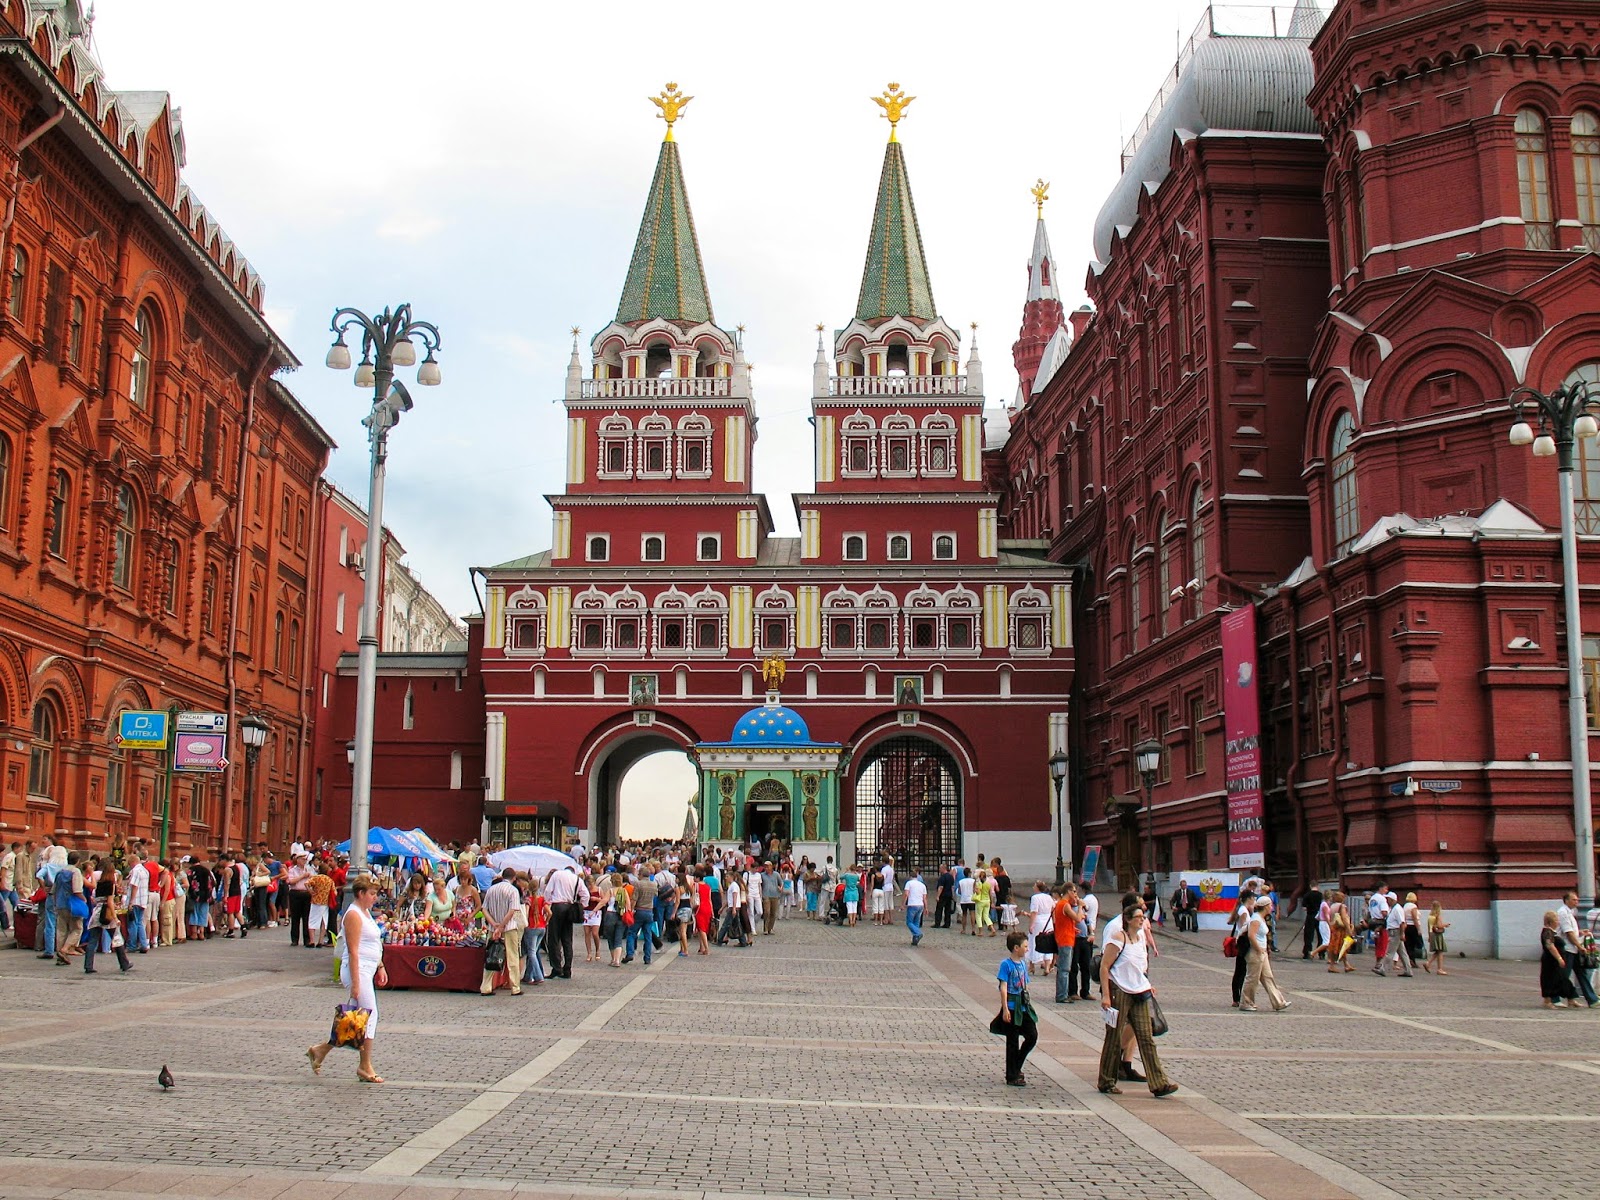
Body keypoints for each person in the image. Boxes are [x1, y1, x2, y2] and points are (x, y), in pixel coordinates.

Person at [307, 874, 388, 1082]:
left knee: (352, 1019)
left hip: (367, 968)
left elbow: (372, 944)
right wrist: (356, 983)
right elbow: (353, 951)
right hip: (357, 969)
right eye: (371, 894)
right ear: (360, 894)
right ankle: (365, 1065)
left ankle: (321, 1050)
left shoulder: (365, 912)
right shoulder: (353, 915)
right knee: (370, 1016)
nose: (374, 898)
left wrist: (380, 965)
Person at [1097, 906, 1177, 1097]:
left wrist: (1147, 984)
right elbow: (1104, 966)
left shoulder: (1140, 939)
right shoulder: (1118, 938)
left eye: (1143, 917)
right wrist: (1106, 995)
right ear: (1128, 919)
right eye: (1138, 917)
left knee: (1146, 1037)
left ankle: (1159, 1083)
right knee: (1114, 1037)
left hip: (1139, 992)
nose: (1142, 920)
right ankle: (1106, 1081)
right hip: (1120, 990)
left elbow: (1140, 968)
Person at [995, 932, 1037, 1087]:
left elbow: (1025, 984)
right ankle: (1011, 1075)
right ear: (1015, 948)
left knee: (1032, 1035)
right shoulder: (1006, 965)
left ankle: (1016, 1065)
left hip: (1023, 1006)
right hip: (1012, 1006)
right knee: (1012, 1042)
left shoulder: (1023, 964)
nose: (1027, 949)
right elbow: (1003, 986)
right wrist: (1005, 1008)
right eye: (1025, 946)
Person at [1239, 895, 1290, 1012]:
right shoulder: (1256, 919)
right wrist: (1258, 949)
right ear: (1265, 906)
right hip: (1255, 952)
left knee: (1268, 977)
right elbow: (1251, 935)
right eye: (1270, 905)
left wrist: (1265, 949)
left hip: (1262, 952)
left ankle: (1278, 1002)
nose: (1272, 907)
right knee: (1252, 978)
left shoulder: (1261, 918)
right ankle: (1246, 1002)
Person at [480, 870, 525, 996]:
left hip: (492, 928)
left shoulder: (491, 889)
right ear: (514, 878)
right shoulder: (512, 890)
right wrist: (501, 926)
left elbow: (484, 909)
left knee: (491, 955)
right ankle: (515, 987)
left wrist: (494, 924)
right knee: (512, 957)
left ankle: (485, 986)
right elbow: (512, 911)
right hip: (509, 927)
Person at [542, 864, 587, 979]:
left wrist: (547, 903)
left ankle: (556, 967)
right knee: (567, 939)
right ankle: (567, 968)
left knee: (553, 938)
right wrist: (581, 906)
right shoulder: (577, 879)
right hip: (569, 907)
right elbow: (585, 895)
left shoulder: (557, 874)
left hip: (557, 906)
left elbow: (548, 891)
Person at [1556, 891, 1598, 1007]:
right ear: (1567, 900)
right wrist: (1580, 947)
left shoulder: (1570, 912)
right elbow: (1568, 933)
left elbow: (1572, 931)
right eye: (1574, 900)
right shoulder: (1563, 913)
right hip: (1567, 948)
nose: (1577, 902)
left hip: (1573, 948)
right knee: (1564, 974)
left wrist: (1580, 932)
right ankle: (1555, 997)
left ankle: (1591, 999)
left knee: (1581, 973)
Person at [1540, 910, 1581, 1009]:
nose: (1558, 922)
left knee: (1563, 979)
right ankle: (1547, 1001)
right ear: (1550, 922)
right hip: (1551, 961)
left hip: (1555, 962)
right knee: (1550, 980)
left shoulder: (1551, 932)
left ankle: (1571, 999)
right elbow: (1550, 946)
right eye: (1556, 920)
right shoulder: (1547, 932)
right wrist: (1559, 958)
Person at [1053, 885, 1082, 1003]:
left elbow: (1063, 922)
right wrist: (1080, 906)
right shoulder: (1065, 904)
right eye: (1074, 891)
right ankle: (1062, 995)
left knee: (1063, 969)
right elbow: (1078, 918)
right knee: (1064, 969)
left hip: (1064, 937)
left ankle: (1062, 993)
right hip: (1066, 940)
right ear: (1068, 891)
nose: (1075, 894)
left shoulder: (1060, 904)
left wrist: (1072, 928)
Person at [1326, 891, 1356, 973]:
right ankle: (1332, 966)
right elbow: (1344, 918)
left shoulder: (1332, 906)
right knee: (1341, 946)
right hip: (1340, 929)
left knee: (1335, 946)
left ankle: (1346, 965)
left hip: (1334, 928)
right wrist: (1349, 929)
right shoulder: (1342, 906)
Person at [1424, 901, 1450, 975]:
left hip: (1432, 934)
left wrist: (1429, 936)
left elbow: (1429, 926)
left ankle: (1428, 963)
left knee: (1437, 951)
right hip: (1438, 935)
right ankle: (1440, 969)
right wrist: (1445, 925)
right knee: (1440, 951)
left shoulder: (1430, 916)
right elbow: (1439, 925)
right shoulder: (1437, 915)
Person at [904, 868, 927, 946]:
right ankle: (915, 939)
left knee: (909, 922)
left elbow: (906, 894)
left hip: (912, 904)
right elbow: (924, 898)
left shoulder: (909, 883)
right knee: (916, 922)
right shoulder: (922, 885)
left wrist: (903, 904)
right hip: (920, 905)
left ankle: (918, 933)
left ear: (910, 876)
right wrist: (926, 907)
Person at [957, 867, 976, 935]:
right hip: (971, 899)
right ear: (969, 873)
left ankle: (964, 929)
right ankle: (973, 929)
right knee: (972, 914)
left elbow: (959, 891)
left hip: (963, 900)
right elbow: (974, 890)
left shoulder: (961, 881)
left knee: (964, 914)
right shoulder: (973, 881)